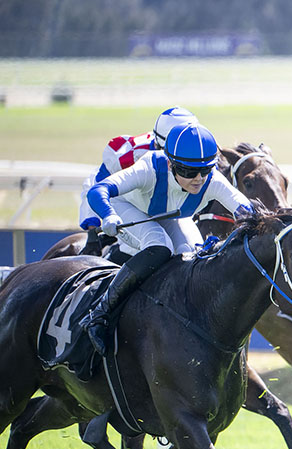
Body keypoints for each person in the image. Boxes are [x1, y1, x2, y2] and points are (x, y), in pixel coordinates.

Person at [82, 122, 253, 356]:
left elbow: (245, 208)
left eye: (205, 170)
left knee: (193, 255)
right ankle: (100, 314)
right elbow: (98, 190)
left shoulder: (209, 179)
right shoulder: (150, 167)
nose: (199, 179)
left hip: (168, 213)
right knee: (159, 246)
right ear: (171, 163)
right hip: (126, 207)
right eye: (189, 172)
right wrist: (108, 214)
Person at [78, 107, 199, 234]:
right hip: (127, 205)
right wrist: (93, 227)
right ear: (159, 144)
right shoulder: (127, 155)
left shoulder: (203, 153)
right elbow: (96, 185)